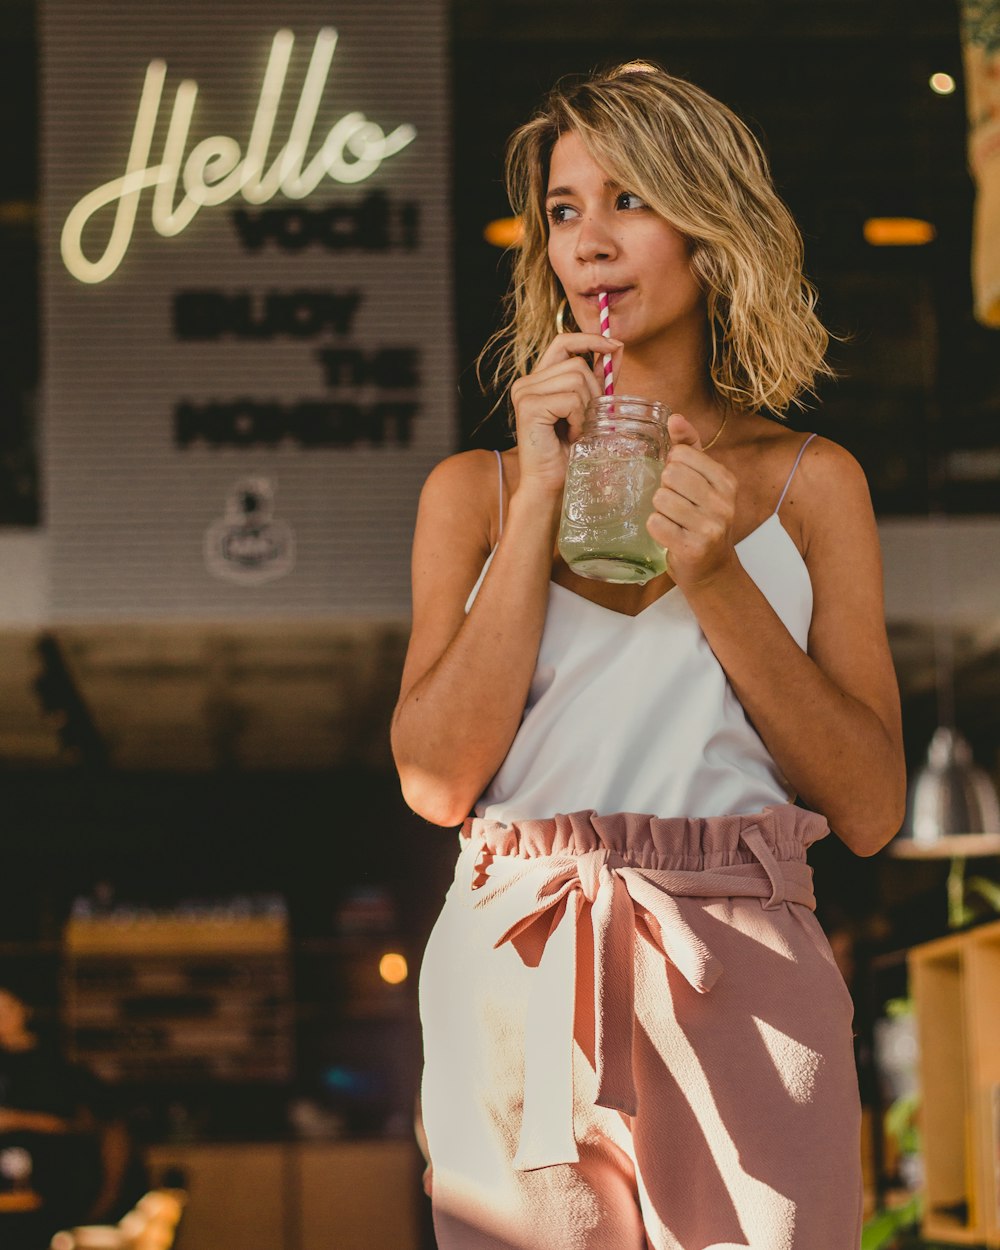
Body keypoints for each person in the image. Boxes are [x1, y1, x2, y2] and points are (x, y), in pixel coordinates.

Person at [392, 62, 905, 1250]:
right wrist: (537, 501)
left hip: (746, 960)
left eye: (629, 201)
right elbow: (434, 780)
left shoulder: (809, 483)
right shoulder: (474, 491)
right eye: (565, 210)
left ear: (706, 225)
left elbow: (871, 805)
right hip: (520, 952)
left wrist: (715, 570)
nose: (589, 242)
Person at [0, 979, 143, 1249]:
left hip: (53, 1192)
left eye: (5, 1008)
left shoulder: (57, 1066)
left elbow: (102, 1125)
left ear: (23, 1009)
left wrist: (106, 1198)